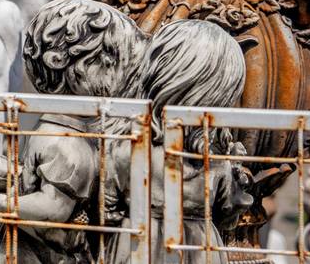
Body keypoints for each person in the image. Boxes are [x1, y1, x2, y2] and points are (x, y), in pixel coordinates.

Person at [0, 0, 148, 264]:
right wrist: (4, 202)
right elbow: (53, 207)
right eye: (108, 60)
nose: (118, 73)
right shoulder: (65, 141)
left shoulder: (53, 129)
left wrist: (7, 197)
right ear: (62, 63)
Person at [102, 18, 251, 264]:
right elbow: (228, 216)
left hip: (136, 242)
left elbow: (106, 207)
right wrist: (237, 176)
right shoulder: (215, 161)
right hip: (199, 248)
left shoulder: (128, 147)